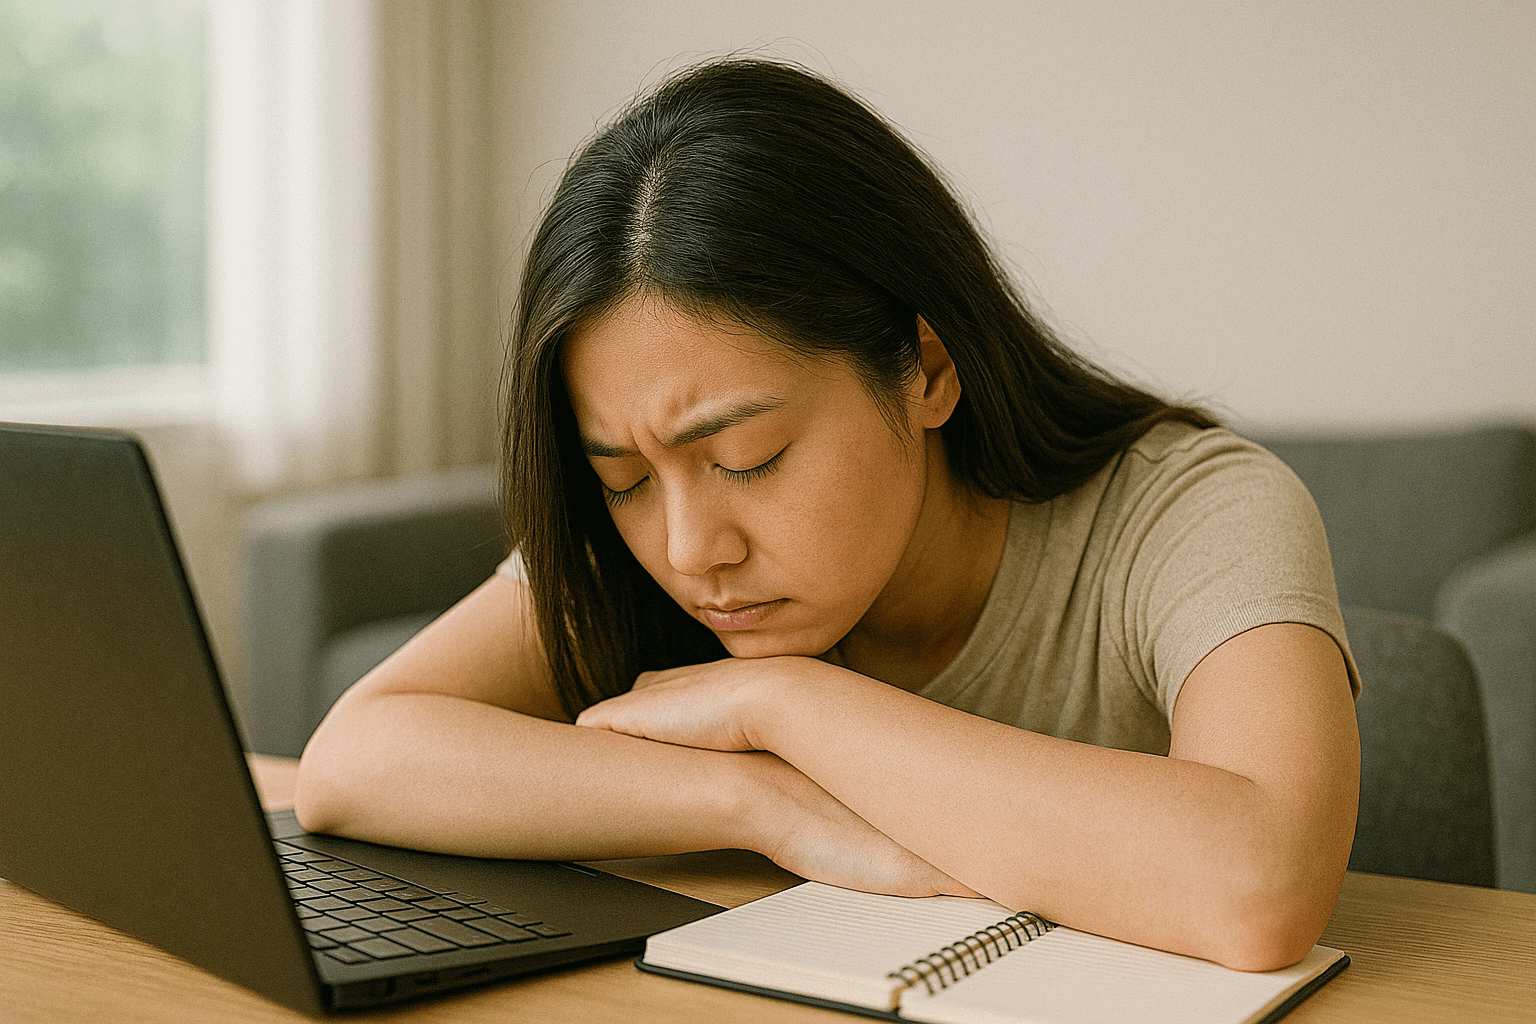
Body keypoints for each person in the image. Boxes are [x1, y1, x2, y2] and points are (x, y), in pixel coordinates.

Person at [295, 58, 1360, 973]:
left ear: (926, 368)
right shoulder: (647, 535)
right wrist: (755, 800)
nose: (688, 549)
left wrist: (783, 702)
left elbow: (1259, 884)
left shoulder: (1196, 508)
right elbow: (354, 760)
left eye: (748, 458)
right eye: (623, 480)